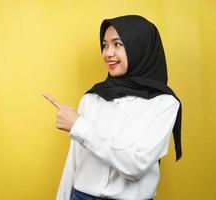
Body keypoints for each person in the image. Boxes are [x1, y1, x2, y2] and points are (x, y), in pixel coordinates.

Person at [43, 15, 182, 200]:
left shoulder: (164, 104)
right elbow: (73, 163)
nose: (107, 53)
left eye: (118, 44)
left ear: (140, 47)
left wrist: (80, 128)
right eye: (105, 45)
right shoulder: (92, 98)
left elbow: (136, 166)